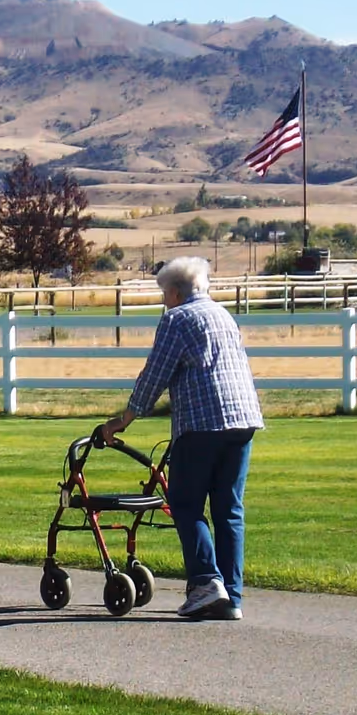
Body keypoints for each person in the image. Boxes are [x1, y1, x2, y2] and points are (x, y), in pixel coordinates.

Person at [95, 255, 262, 620]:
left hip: (202, 424)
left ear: (173, 292)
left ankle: (205, 582)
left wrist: (124, 420)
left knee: (185, 504)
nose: (163, 301)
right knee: (229, 510)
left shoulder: (177, 319)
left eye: (163, 294)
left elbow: (155, 374)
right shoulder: (223, 315)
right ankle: (231, 596)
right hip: (244, 420)